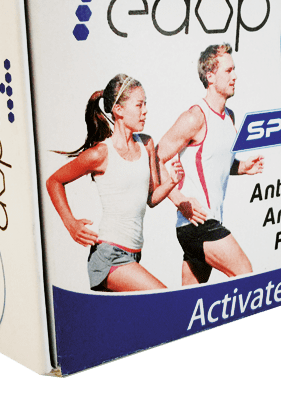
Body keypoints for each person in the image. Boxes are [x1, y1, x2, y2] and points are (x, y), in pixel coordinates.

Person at [46, 74, 183, 291]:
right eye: (139, 105)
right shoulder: (101, 154)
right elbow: (54, 181)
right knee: (165, 299)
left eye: (145, 104)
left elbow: (151, 199)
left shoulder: (146, 144)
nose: (145, 110)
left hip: (134, 256)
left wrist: (172, 182)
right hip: (109, 257)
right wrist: (71, 224)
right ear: (118, 110)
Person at [160, 44, 264, 285]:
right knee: (245, 274)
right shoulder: (195, 117)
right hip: (198, 223)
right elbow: (155, 157)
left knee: (190, 301)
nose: (235, 76)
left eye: (234, 69)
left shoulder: (230, 117)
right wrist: (179, 201)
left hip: (206, 223)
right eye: (228, 71)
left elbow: (212, 161)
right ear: (210, 77)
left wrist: (241, 167)